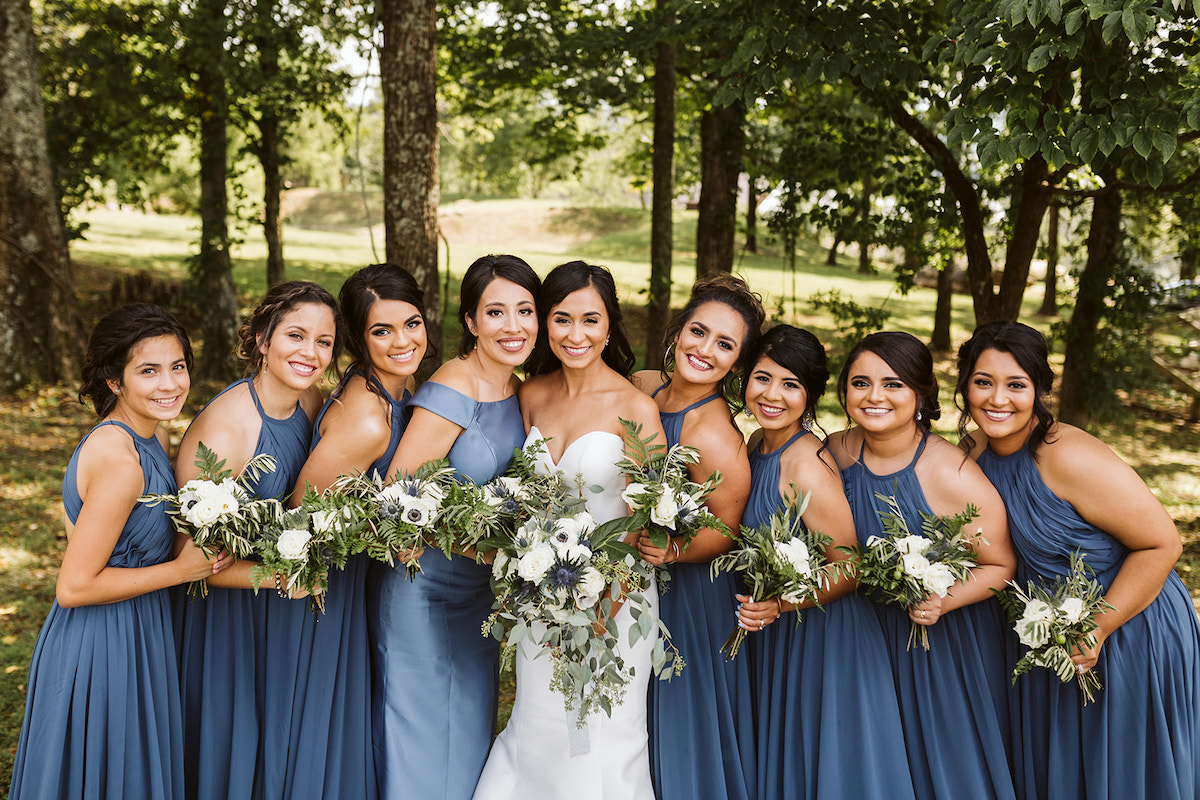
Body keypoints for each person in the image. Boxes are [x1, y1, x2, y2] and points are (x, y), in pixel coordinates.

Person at [959, 321, 1200, 800]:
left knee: (1124, 774)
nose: (997, 399)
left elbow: (1162, 545)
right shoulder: (972, 452)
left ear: (1040, 390)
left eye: (1016, 385)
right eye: (983, 382)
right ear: (965, 384)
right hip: (1045, 637)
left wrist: (1099, 627)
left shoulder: (1065, 455)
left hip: (1127, 624)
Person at [8, 305, 229, 800]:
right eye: (147, 371)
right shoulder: (119, 459)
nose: (169, 383)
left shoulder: (155, 434)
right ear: (114, 381)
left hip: (142, 626)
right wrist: (182, 569)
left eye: (177, 366)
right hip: (102, 640)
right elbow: (74, 586)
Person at [473, 260, 665, 800]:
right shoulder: (531, 393)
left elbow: (643, 518)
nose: (575, 335)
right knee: (538, 723)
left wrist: (604, 606)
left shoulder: (635, 408)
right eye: (561, 319)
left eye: (589, 320)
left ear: (610, 326)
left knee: (601, 733)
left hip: (616, 602)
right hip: (541, 594)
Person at [370, 255, 538, 800]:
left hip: (477, 602)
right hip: (425, 595)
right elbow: (396, 501)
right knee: (425, 749)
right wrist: (483, 547)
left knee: (465, 743)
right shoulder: (452, 388)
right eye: (495, 312)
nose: (512, 327)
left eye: (525, 310)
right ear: (469, 321)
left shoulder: (521, 389)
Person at [825, 331, 1017, 800]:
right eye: (860, 382)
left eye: (893, 385)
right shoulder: (833, 452)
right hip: (856, 642)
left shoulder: (950, 473)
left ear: (920, 396)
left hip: (935, 647)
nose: (874, 396)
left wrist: (941, 600)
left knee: (938, 769)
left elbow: (1000, 563)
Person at [173, 281, 340, 800]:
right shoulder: (225, 431)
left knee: (280, 752)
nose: (310, 353)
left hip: (281, 610)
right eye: (295, 335)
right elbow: (188, 562)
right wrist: (280, 576)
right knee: (234, 754)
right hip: (226, 619)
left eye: (325, 341)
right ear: (262, 339)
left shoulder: (310, 400)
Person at [733, 325, 917, 799]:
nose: (772, 395)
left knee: (832, 769)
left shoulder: (805, 463)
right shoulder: (756, 446)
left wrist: (782, 605)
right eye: (762, 378)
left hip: (826, 637)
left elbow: (850, 565)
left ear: (810, 396)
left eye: (790, 385)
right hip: (780, 636)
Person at [284, 264, 428, 800]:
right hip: (328, 591)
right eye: (381, 331)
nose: (401, 342)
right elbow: (304, 517)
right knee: (321, 726)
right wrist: (385, 532)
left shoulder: (397, 387)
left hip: (361, 582)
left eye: (410, 324)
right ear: (358, 339)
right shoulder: (368, 417)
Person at [629, 275, 763, 800]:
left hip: (686, 596)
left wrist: (673, 548)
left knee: (679, 717)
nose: (704, 350)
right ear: (678, 330)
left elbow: (725, 531)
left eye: (724, 345)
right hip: (627, 579)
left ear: (736, 362)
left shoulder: (715, 436)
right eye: (698, 331)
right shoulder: (642, 385)